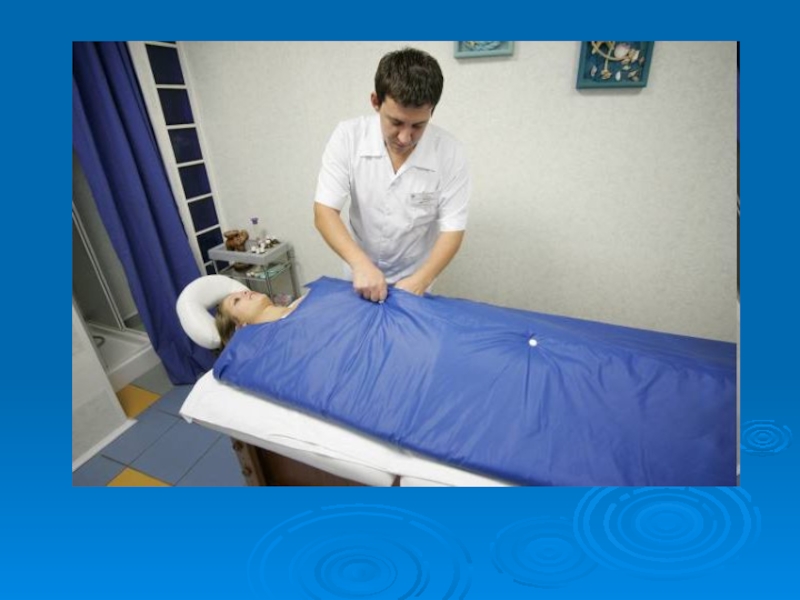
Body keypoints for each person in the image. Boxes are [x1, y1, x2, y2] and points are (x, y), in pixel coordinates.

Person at [314, 47, 471, 303]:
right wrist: (360, 264)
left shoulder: (450, 152)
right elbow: (324, 211)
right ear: (376, 102)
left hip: (415, 278)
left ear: (432, 110)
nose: (405, 138)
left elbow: (453, 229)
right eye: (396, 122)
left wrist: (420, 281)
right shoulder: (348, 137)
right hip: (359, 274)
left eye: (418, 125)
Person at [214, 289, 305, 348]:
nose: (245, 292)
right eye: (236, 300)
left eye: (241, 292)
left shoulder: (301, 302)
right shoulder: (280, 342)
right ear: (240, 327)